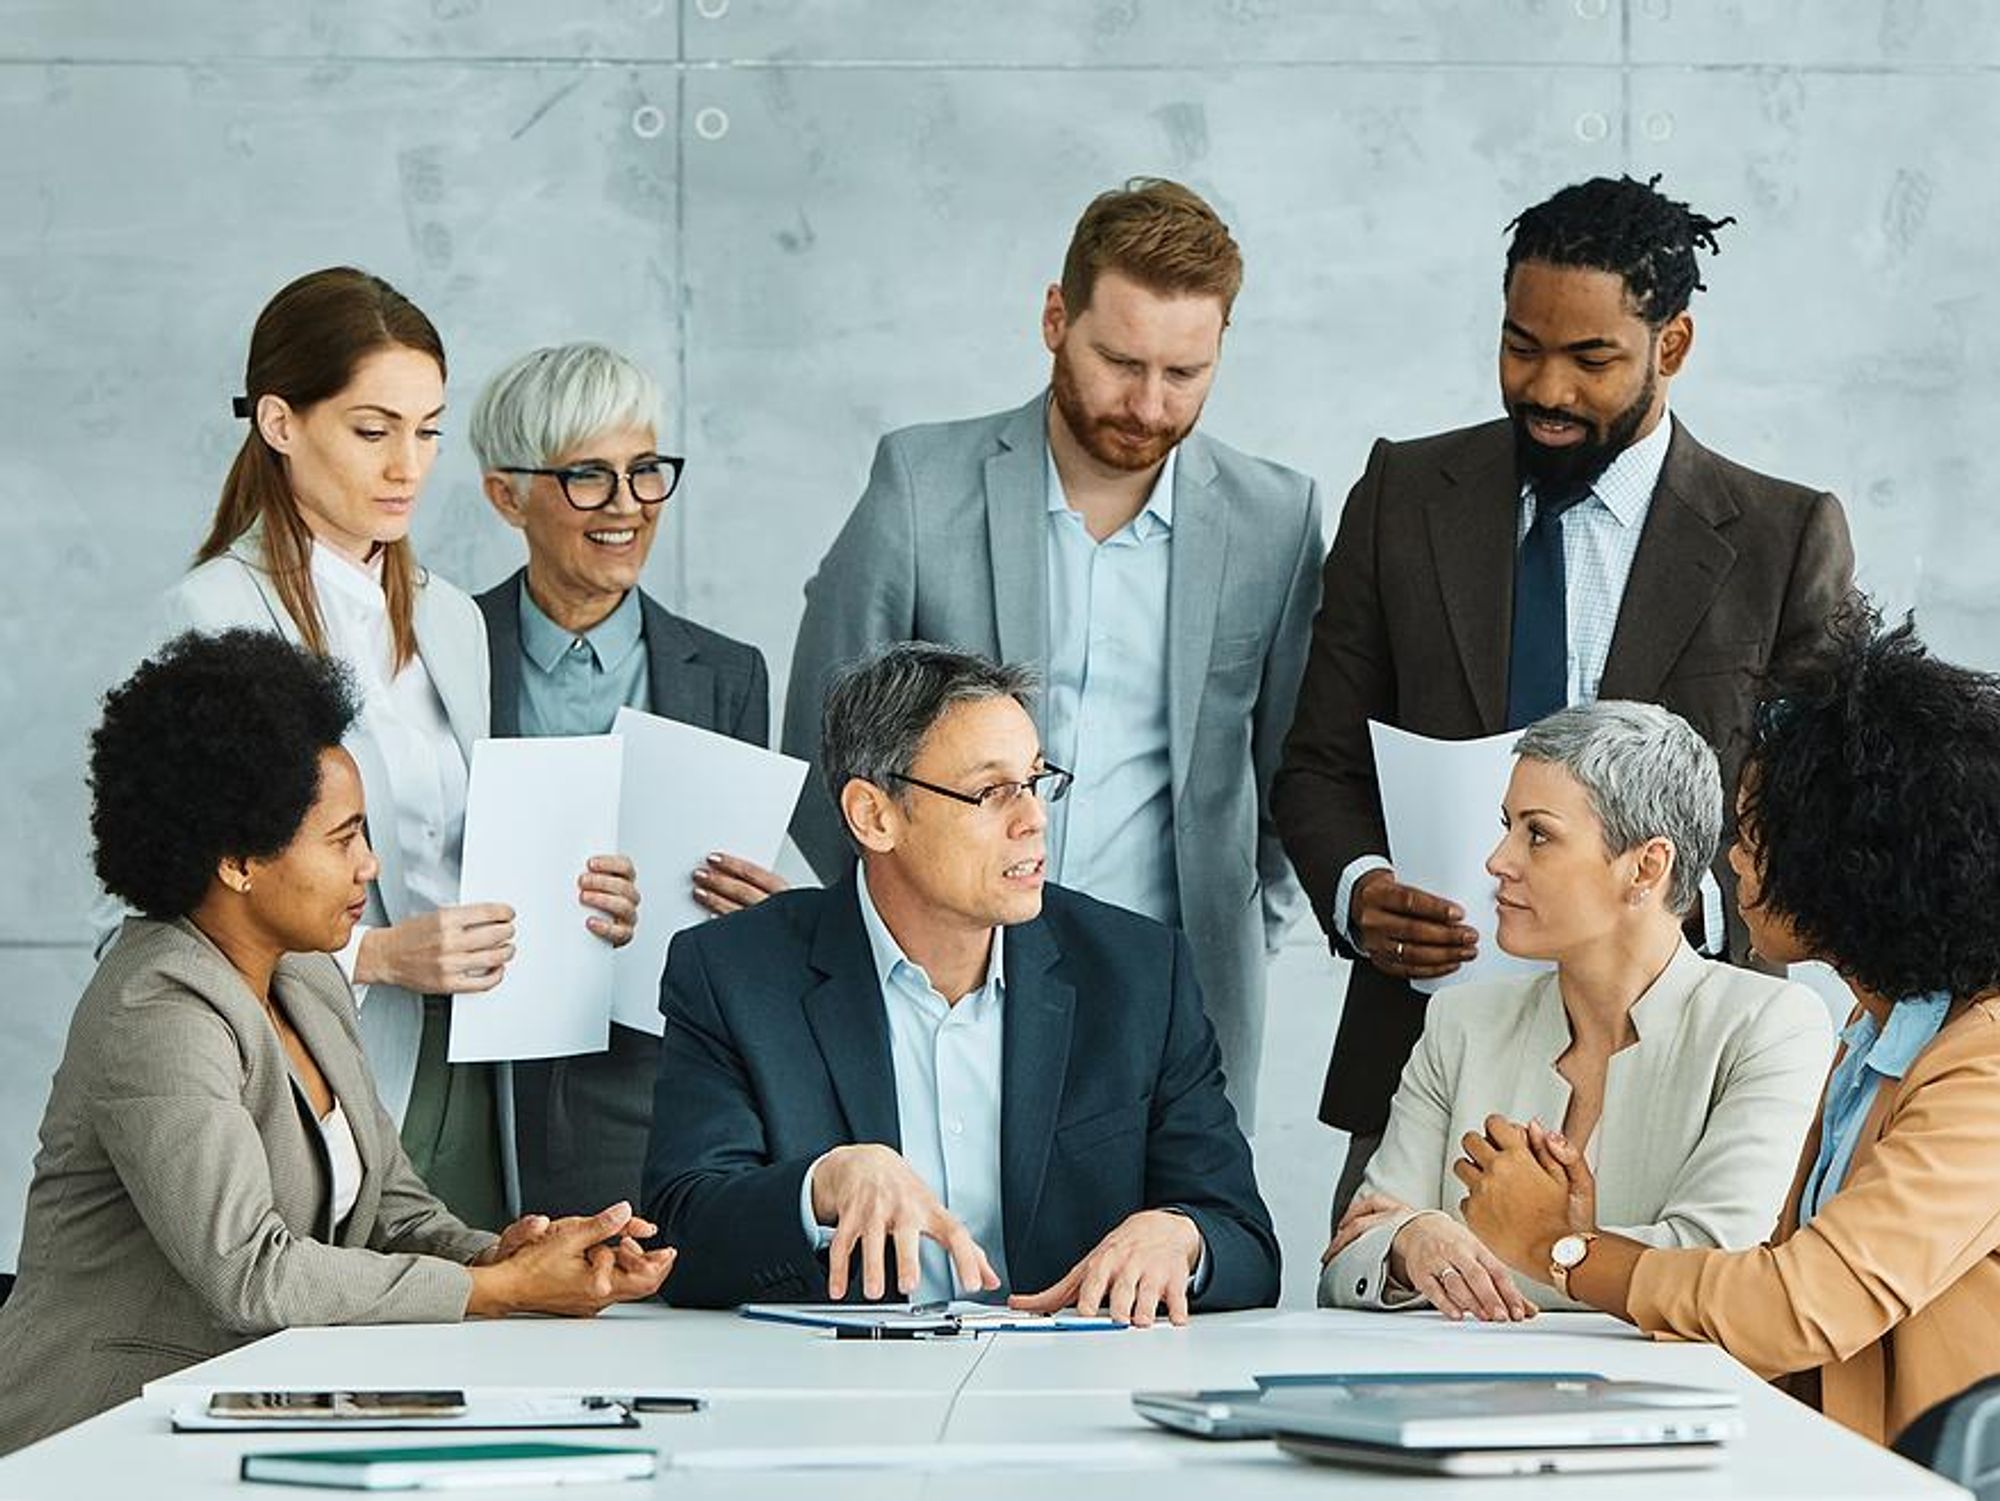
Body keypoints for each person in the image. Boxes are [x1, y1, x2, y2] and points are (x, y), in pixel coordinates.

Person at [1273, 174, 1854, 1216]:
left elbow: (1825, 812)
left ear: (1672, 346)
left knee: (1663, 1302)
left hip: (1683, 1061)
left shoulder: (1781, 537)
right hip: (1421, 1051)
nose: (1545, 388)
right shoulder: (1402, 495)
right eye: (1519, 346)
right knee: (1385, 1299)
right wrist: (1360, 891)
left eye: (1590, 359)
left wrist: (1675, 899)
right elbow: (1317, 761)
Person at [0, 631, 674, 1456]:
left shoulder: (307, 975)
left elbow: (393, 1208)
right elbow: (251, 1272)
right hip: (98, 1434)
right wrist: (495, 1288)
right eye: (343, 838)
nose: (370, 864)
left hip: (246, 1412)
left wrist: (517, 1254)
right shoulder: (157, 1008)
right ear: (238, 859)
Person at [780, 179, 1323, 1130]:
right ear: (1055, 319)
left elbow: (1295, 773)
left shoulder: (1277, 518)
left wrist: (1242, 925)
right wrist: (898, 946)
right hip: (947, 986)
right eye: (1119, 361)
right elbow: (827, 747)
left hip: (1178, 998)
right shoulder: (919, 483)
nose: (1148, 404)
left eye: (1184, 373)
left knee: (1171, 1227)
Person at [155, 268, 640, 1226]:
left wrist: (576, 894)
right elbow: (149, 916)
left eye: (428, 431)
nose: (408, 466)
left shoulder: (451, 618)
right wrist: (372, 954)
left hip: (479, 1064)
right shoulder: (211, 616)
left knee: (479, 1311)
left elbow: (464, 849)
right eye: (374, 431)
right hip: (310, 1070)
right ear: (279, 422)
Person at [1458, 611, 2000, 1446]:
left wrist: (1560, 1247)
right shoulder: (1873, 1033)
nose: (1734, 861)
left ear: (1849, 857)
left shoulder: (1984, 1064)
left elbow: (1799, 1304)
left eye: (1752, 836)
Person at [646, 643, 1279, 1320]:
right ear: (874, 816)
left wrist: (1182, 1235)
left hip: (1069, 1374)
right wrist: (820, 1186)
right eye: (991, 792)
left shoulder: (1138, 972)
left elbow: (1244, 1240)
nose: (1034, 819)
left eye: (1035, 781)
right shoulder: (734, 973)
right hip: (841, 1376)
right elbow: (679, 1238)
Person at [1320, 700, 1830, 1320]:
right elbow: (1351, 1258)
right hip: (1458, 1382)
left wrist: (1491, 1249)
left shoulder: (1770, 1026)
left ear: (1646, 867)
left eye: (1537, 834)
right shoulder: (1460, 1021)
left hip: (1663, 1382)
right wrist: (1409, 1242)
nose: (1498, 860)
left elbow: (1711, 1267)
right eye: (1506, 825)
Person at [469, 341, 780, 1218]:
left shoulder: (729, 676)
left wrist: (766, 919)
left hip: (652, 1076)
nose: (628, 504)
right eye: (588, 477)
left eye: (645, 470)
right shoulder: (442, 651)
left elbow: (733, 935)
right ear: (506, 495)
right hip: (475, 1069)